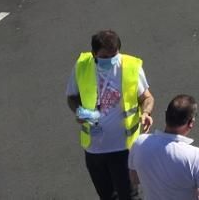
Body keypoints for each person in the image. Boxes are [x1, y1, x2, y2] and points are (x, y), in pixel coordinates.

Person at [66, 29, 154, 200]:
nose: (111, 61)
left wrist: (146, 112)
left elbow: (147, 98)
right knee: (106, 196)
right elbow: (71, 97)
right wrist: (79, 111)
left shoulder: (130, 67)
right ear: (94, 54)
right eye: (105, 57)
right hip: (94, 149)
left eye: (114, 55)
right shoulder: (82, 66)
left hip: (123, 148)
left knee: (129, 195)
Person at [128, 95, 199, 199]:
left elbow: (134, 179)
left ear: (166, 115)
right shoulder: (197, 156)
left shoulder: (139, 143)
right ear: (191, 123)